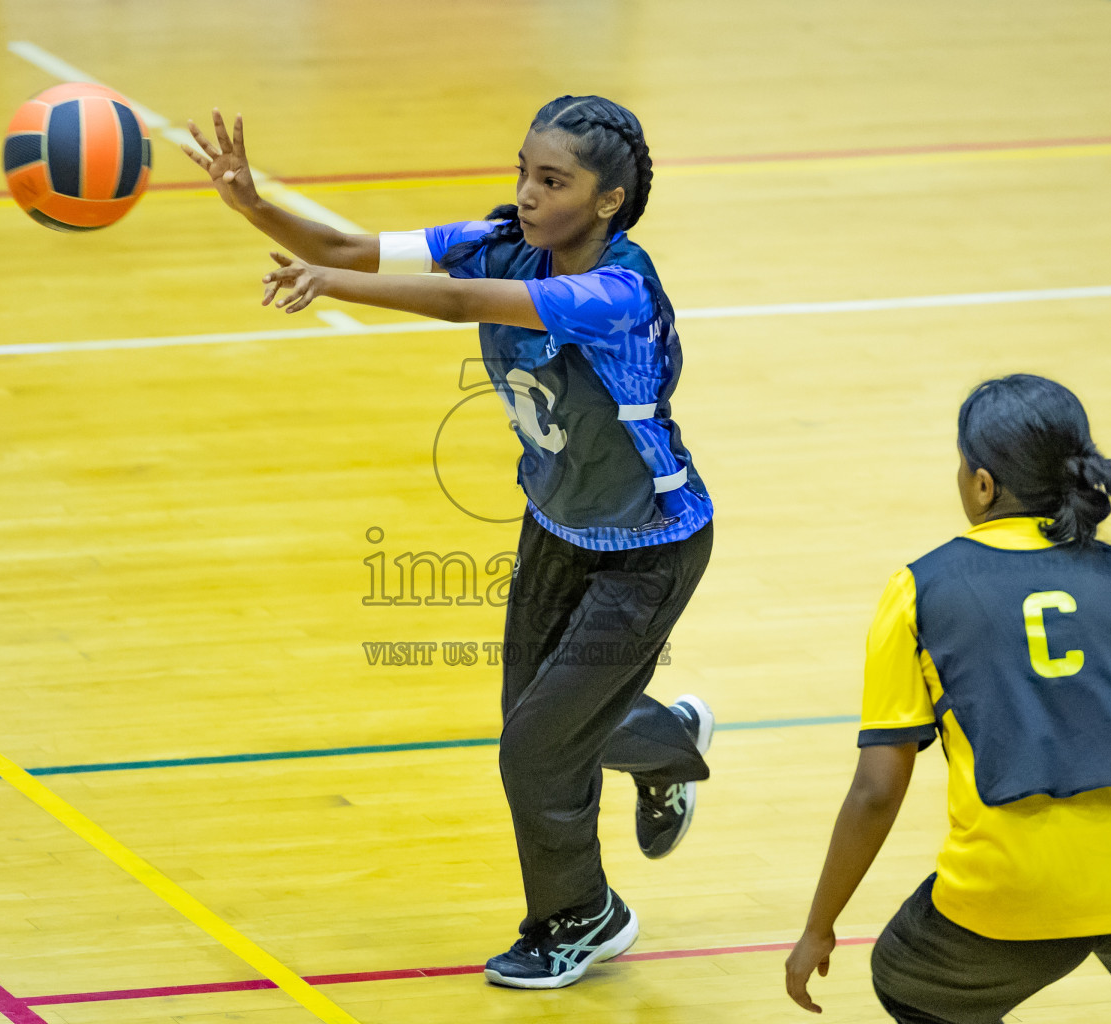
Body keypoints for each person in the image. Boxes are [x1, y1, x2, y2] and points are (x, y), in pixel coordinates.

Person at [183, 95, 716, 989]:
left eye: (553, 182)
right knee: (541, 725)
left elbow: (456, 299)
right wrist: (255, 207)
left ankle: (581, 917)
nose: (527, 194)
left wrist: (335, 290)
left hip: (650, 548)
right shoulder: (503, 237)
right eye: (523, 172)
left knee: (536, 750)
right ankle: (666, 741)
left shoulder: (616, 292)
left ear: (609, 201)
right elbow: (353, 248)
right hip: (556, 527)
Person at [785, 374, 1111, 1022]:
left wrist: (819, 924)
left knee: (906, 979)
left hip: (1009, 888)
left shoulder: (918, 589)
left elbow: (877, 790)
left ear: (983, 484)